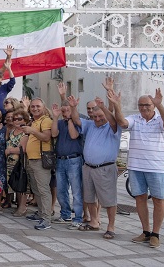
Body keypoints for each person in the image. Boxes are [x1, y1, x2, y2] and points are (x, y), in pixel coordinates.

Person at [109, 88, 164, 248]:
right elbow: (122, 123)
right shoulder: (135, 119)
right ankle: (146, 232)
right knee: (140, 198)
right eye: (141, 105)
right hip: (136, 166)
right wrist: (117, 105)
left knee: (159, 200)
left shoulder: (160, 119)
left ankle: (156, 234)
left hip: (157, 167)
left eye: (147, 105)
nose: (144, 108)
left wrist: (160, 106)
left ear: (153, 105)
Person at [70, 94, 121, 240]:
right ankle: (94, 221)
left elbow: (112, 119)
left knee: (109, 200)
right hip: (88, 167)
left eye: (100, 116)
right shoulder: (90, 124)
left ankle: (111, 226)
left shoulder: (113, 127)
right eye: (95, 116)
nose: (97, 119)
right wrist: (73, 107)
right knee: (89, 197)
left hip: (105, 168)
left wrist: (105, 107)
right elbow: (76, 120)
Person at [51, 84, 84, 229]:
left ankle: (77, 217)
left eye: (67, 111)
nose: (64, 113)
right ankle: (65, 214)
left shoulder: (76, 121)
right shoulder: (59, 122)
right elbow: (53, 134)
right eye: (63, 111)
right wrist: (55, 117)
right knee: (62, 190)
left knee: (76, 190)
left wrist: (70, 119)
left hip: (74, 160)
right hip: (60, 160)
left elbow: (73, 135)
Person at [22, 97, 54, 230]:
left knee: (43, 190)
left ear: (43, 107)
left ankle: (46, 219)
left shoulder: (46, 120)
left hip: (41, 160)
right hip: (32, 159)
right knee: (36, 190)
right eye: (33, 106)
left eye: (37, 106)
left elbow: (46, 137)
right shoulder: (34, 121)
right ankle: (41, 213)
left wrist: (32, 131)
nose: (35, 108)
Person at [6, 110, 30, 216]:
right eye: (15, 119)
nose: (17, 121)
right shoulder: (11, 131)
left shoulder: (25, 132)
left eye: (20, 119)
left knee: (21, 183)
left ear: (25, 120)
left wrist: (10, 150)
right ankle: (18, 206)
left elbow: (23, 149)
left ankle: (22, 207)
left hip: (20, 162)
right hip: (10, 162)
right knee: (14, 182)